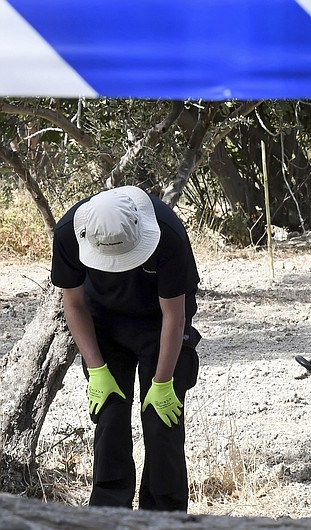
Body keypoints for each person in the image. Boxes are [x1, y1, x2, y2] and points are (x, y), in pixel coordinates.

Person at [51, 185, 201, 511]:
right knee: (109, 421)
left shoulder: (168, 233)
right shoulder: (68, 234)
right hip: (103, 327)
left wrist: (162, 383)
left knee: (163, 424)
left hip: (158, 326)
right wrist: (96, 369)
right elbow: (73, 305)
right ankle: (108, 514)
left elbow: (174, 317)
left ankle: (164, 516)